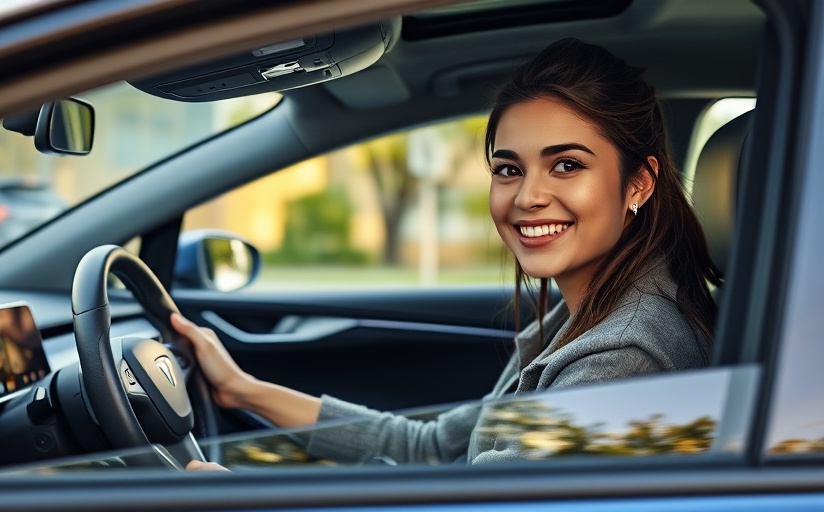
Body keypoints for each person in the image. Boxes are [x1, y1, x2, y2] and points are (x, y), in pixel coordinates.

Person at [171, 38, 721, 469]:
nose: (528, 196)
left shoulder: (624, 356)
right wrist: (241, 388)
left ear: (638, 185)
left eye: (567, 165)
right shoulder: (583, 314)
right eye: (509, 169)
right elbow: (433, 447)